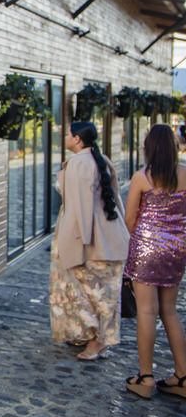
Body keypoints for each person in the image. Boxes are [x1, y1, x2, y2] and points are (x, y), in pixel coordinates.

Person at [50, 121, 128, 360]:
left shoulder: (80, 164)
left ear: (77, 139)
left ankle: (96, 340)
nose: (64, 137)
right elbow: (115, 200)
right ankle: (92, 336)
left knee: (84, 292)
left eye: (67, 134)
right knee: (103, 294)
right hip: (109, 235)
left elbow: (79, 209)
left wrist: (75, 244)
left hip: (89, 239)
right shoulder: (101, 160)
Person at [122, 124, 186, 399]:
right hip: (176, 247)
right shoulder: (185, 174)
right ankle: (182, 375)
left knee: (147, 311)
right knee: (169, 311)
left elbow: (129, 218)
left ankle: (145, 376)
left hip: (147, 247)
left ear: (149, 148)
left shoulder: (141, 177)